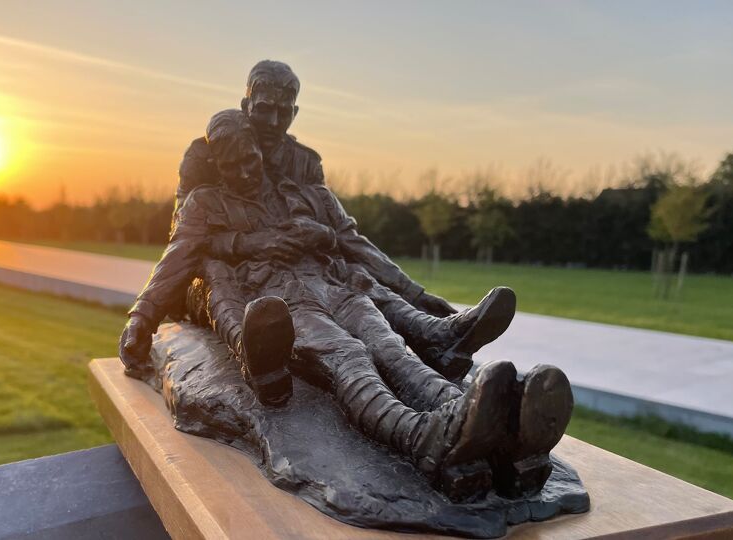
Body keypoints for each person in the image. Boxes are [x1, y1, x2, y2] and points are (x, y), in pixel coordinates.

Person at [121, 110, 572, 500]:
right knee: (350, 360)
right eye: (233, 164)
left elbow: (340, 237)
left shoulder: (292, 193)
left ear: (260, 152)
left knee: (392, 349)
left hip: (333, 287)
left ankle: (492, 426)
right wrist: (141, 317)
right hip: (281, 302)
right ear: (217, 165)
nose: (246, 171)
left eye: (252, 158)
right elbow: (176, 260)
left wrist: (316, 236)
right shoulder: (206, 203)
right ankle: (420, 437)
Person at [174, 60, 515, 381]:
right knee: (291, 286)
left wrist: (416, 293)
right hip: (228, 278)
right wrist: (247, 243)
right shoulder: (207, 152)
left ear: (295, 112)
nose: (274, 123)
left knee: (348, 272)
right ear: (246, 104)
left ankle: (434, 335)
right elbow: (182, 236)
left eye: (283, 112)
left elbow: (345, 235)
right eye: (264, 109)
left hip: (302, 271)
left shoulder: (305, 164)